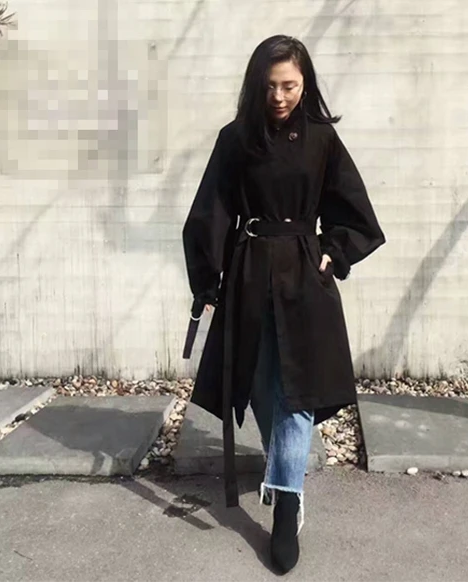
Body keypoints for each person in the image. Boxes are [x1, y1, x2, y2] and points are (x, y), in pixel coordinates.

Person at [182, 35, 385, 574]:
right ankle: (285, 471)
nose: (279, 96)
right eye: (270, 86)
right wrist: (207, 279)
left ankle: (287, 504)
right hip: (249, 272)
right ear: (257, 85)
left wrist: (334, 251)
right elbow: (211, 209)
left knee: (298, 391)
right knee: (258, 381)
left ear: (305, 83)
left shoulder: (322, 139)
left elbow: (354, 208)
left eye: (289, 85)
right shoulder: (236, 139)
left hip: (302, 275)